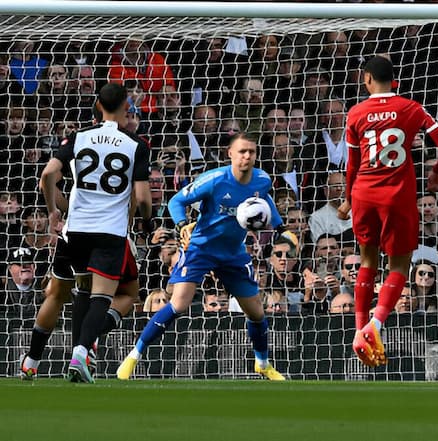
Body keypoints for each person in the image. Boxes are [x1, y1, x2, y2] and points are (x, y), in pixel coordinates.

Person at [116, 133, 292, 381]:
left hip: (233, 253)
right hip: (201, 248)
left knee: (256, 313)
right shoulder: (215, 179)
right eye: (242, 151)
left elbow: (265, 200)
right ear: (230, 154)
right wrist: (182, 225)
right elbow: (176, 201)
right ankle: (134, 356)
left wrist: (282, 228)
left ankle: (262, 364)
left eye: (251, 152)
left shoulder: (262, 180)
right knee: (178, 304)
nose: (247, 156)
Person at [335, 56, 438, 367]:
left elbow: (352, 165)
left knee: (367, 261)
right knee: (399, 266)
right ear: (393, 79)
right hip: (397, 197)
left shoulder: (356, 112)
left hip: (364, 194)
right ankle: (376, 326)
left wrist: (347, 200)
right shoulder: (411, 108)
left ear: (367, 79)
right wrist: (436, 173)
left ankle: (359, 329)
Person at [38, 83, 152, 383]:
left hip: (75, 231)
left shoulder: (78, 137)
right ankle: (80, 354)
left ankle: (38, 357)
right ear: (126, 107)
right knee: (102, 296)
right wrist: (147, 223)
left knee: (78, 293)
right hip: (109, 232)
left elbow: (48, 174)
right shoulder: (135, 144)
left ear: (98, 105)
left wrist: (53, 211)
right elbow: (142, 198)